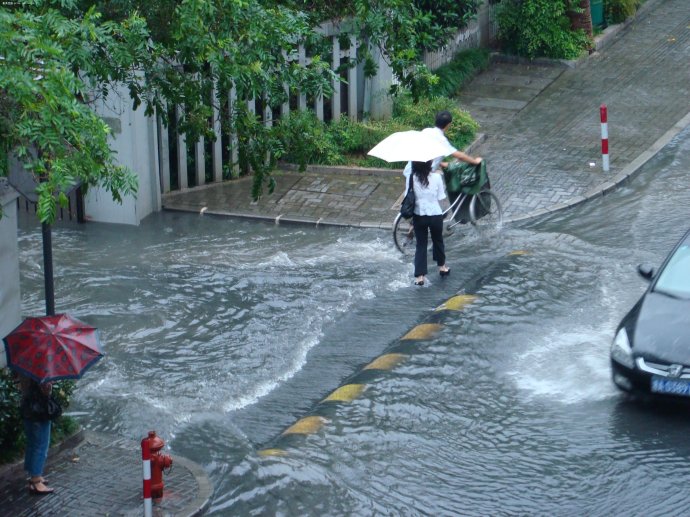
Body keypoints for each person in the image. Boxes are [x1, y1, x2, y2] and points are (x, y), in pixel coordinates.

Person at [403, 110, 483, 189]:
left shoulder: (426, 131)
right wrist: (475, 161)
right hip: (421, 176)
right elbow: (459, 155)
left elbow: (427, 152)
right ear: (448, 125)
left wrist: (439, 163)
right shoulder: (441, 139)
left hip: (410, 170)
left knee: (411, 198)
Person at [410, 160, 450, 286]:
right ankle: (442, 267)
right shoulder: (437, 177)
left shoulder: (412, 178)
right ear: (429, 164)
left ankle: (420, 276)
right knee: (438, 240)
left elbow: (408, 195)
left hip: (419, 214)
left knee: (421, 244)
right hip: (435, 214)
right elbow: (440, 197)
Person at [18, 374, 56, 495]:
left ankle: (33, 474)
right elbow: (44, 392)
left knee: (32, 443)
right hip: (39, 411)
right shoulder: (40, 371)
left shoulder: (26, 367)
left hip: (27, 408)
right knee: (41, 445)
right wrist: (48, 388)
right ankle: (36, 481)